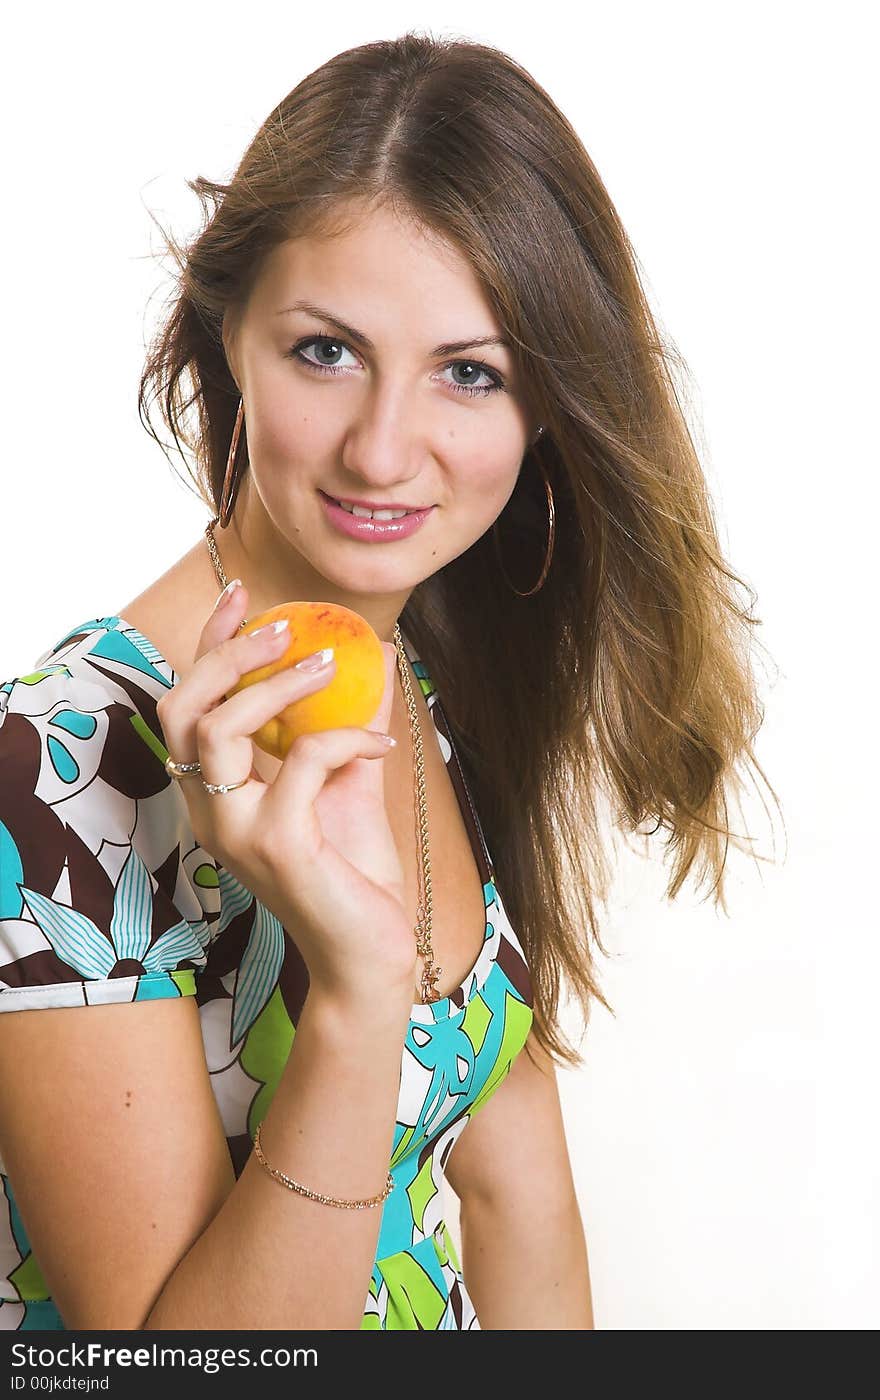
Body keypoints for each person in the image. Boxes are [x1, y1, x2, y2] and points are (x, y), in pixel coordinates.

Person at [0, 33, 775, 1332]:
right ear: (223, 337)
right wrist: (358, 996)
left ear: (544, 420)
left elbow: (524, 1200)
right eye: (326, 351)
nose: (382, 449)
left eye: (470, 374)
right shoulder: (57, 774)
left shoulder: (430, 678)